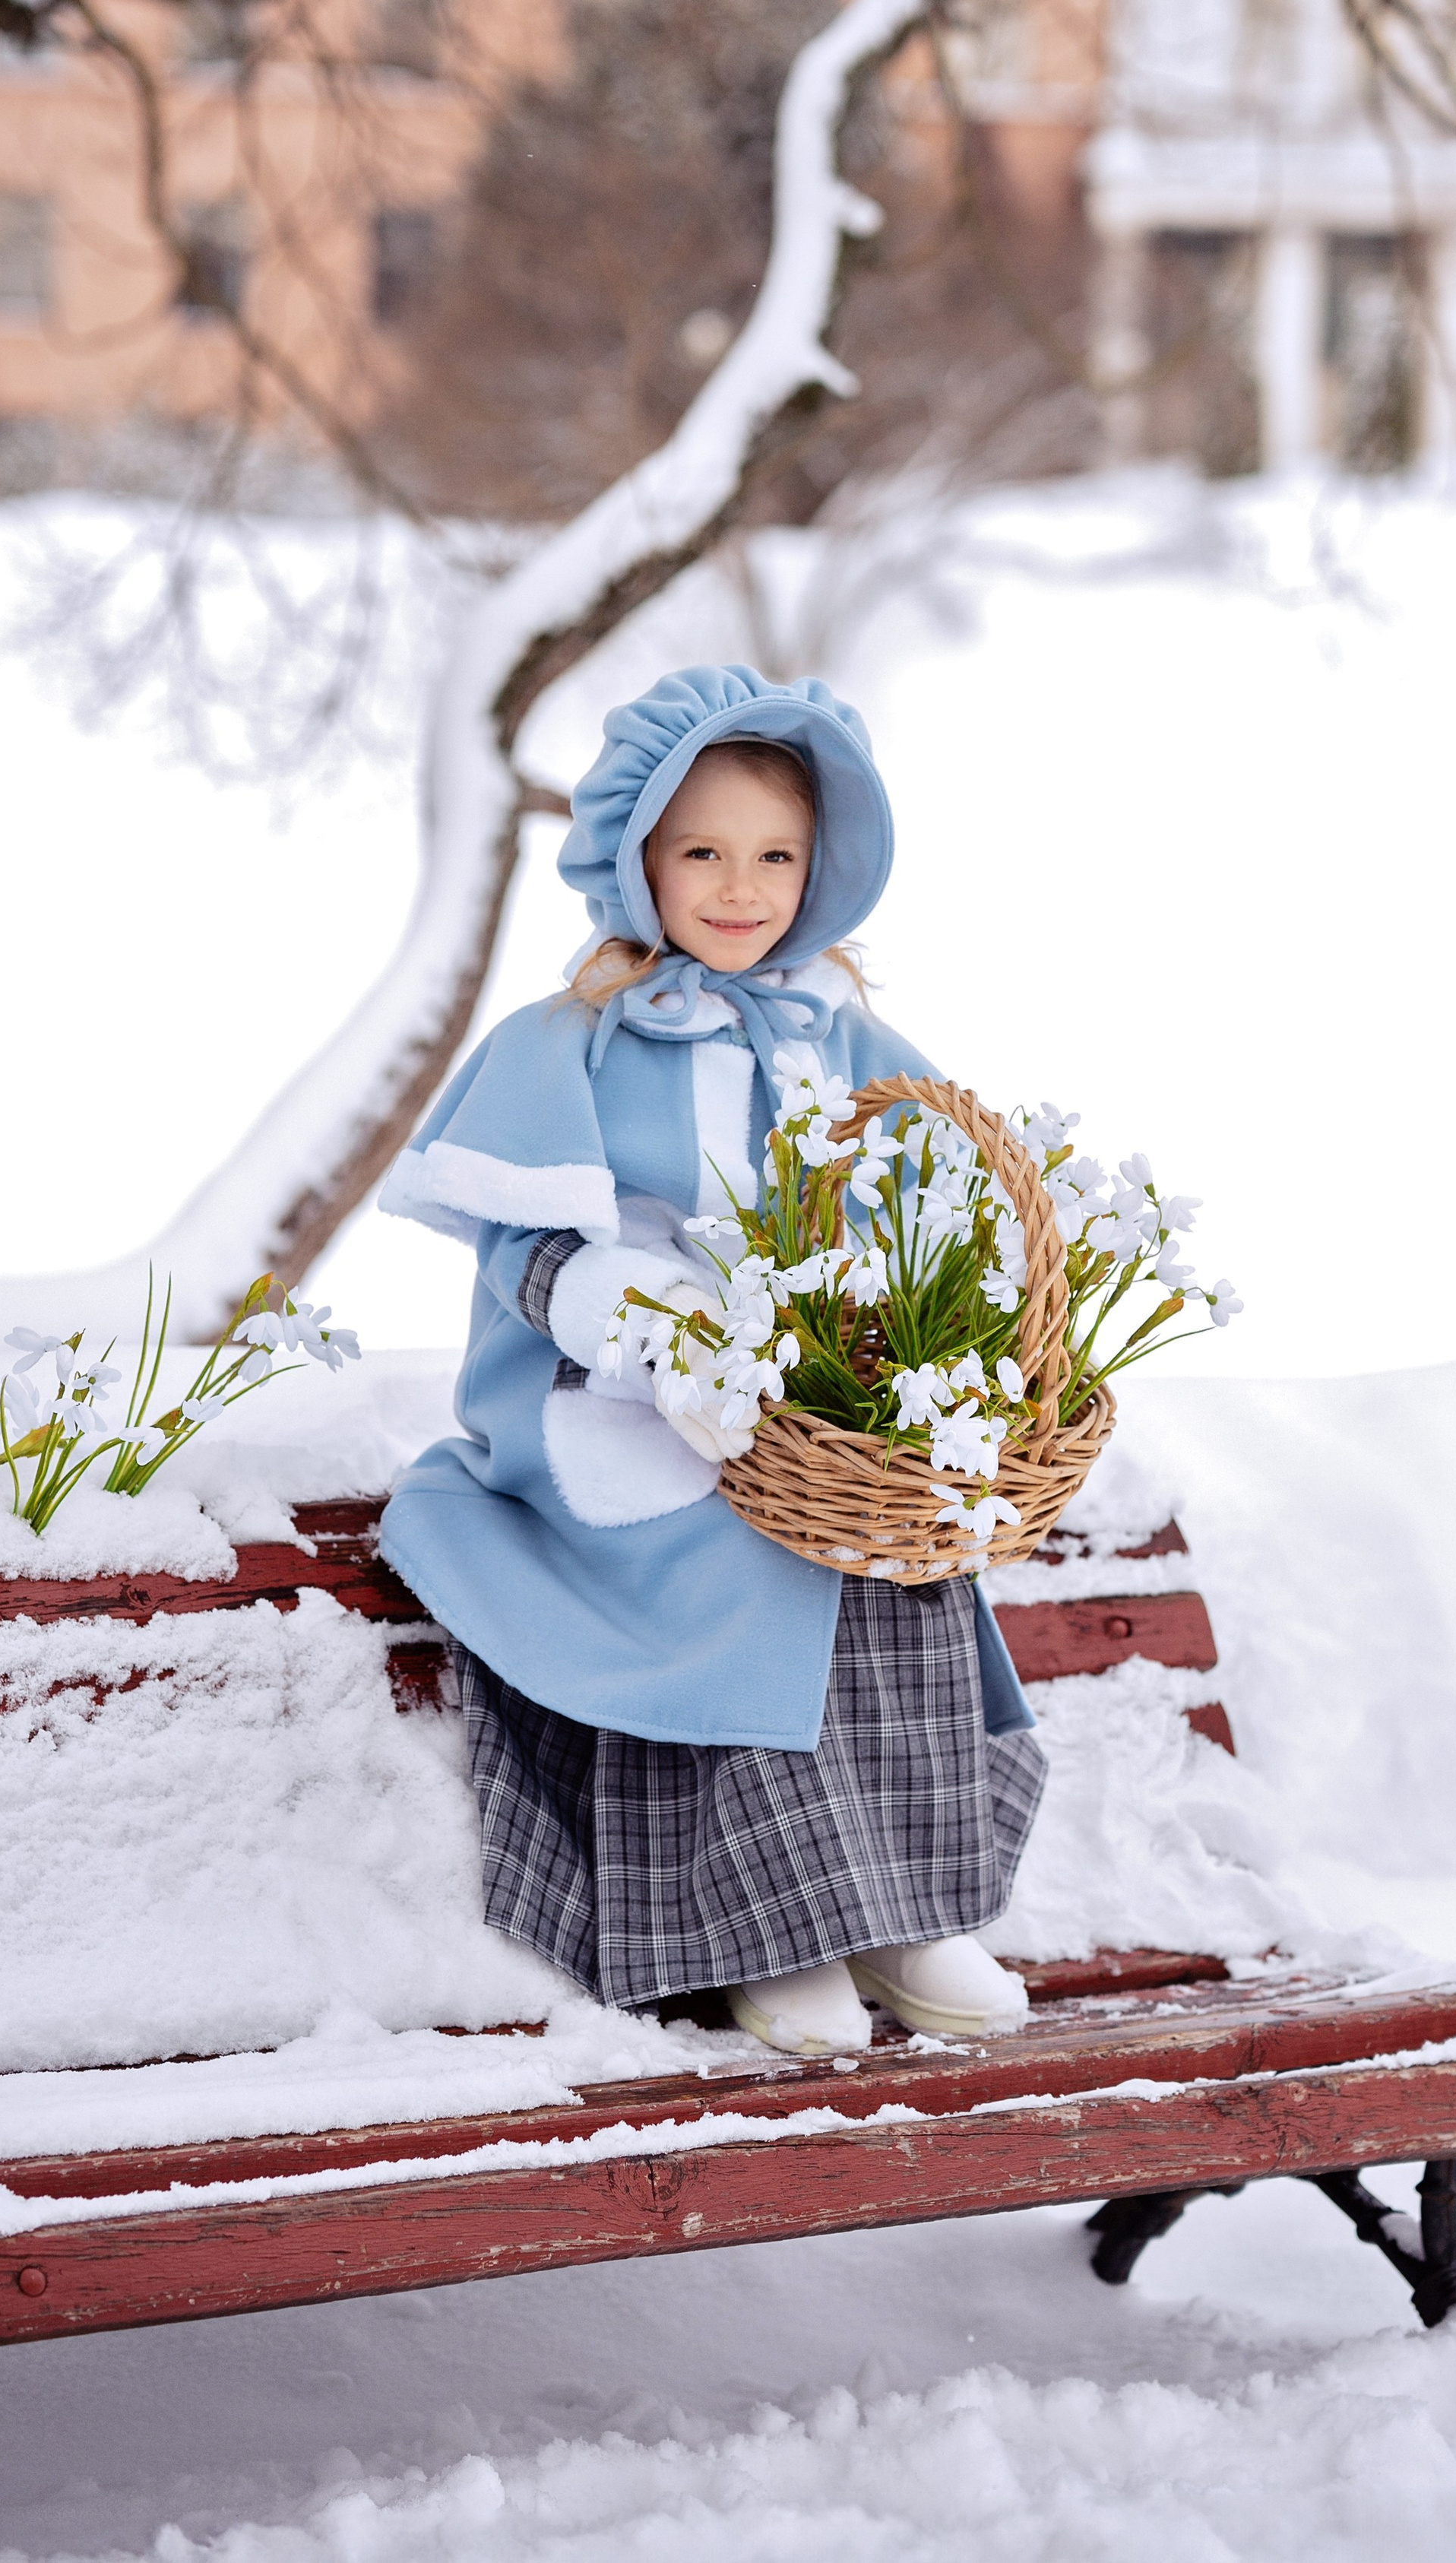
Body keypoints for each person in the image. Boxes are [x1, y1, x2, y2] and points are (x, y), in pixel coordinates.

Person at [378, 664, 1044, 2055]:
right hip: (612, 1401)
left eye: (775, 856)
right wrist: (657, 1335)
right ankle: (765, 1918)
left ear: (824, 867)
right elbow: (528, 1251)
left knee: (892, 1546)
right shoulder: (569, 1045)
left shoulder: (841, 1037)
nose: (741, 889)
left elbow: (938, 1201)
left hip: (797, 1404)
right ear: (639, 860)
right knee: (734, 1554)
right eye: (703, 853)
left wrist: (927, 1342)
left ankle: (910, 1909)